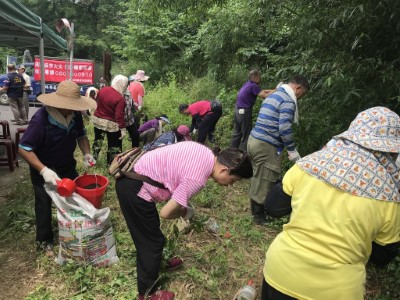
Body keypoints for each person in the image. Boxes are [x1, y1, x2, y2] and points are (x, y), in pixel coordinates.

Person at [261, 106, 400, 300]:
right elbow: (382, 256)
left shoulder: (311, 164)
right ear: (391, 150)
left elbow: (273, 207)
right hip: (338, 290)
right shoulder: (389, 194)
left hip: (281, 272)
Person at [115, 142, 253, 300]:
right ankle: (147, 293)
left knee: (151, 233)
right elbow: (166, 213)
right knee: (151, 242)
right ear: (224, 170)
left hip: (135, 176)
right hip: (134, 188)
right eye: (233, 180)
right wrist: (185, 212)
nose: (230, 185)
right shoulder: (197, 178)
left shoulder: (206, 153)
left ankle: (155, 263)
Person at [18, 80, 97, 256]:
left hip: (66, 164)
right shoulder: (41, 120)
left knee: (74, 196)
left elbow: (82, 136)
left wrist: (86, 153)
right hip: (44, 168)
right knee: (44, 203)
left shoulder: (75, 117)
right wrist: (43, 170)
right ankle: (44, 240)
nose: (75, 108)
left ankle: (73, 229)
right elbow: (24, 148)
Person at [247, 75, 309, 225]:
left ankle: (256, 210)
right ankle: (258, 216)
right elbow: (284, 128)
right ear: (298, 88)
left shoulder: (275, 94)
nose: (299, 98)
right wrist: (292, 150)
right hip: (266, 144)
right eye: (301, 94)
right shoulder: (287, 100)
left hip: (254, 140)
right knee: (265, 178)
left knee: (259, 176)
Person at [230, 69, 275, 151]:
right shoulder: (253, 86)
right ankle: (242, 156)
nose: (260, 78)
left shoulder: (247, 84)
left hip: (237, 111)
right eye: (259, 76)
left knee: (237, 134)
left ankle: (231, 153)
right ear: (255, 77)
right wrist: (276, 91)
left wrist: (275, 90)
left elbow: (263, 91)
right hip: (244, 113)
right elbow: (265, 95)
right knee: (246, 135)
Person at [91, 75, 128, 165]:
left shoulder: (103, 89)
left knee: (97, 141)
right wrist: (123, 129)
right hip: (111, 124)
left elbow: (97, 102)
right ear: (123, 85)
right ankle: (111, 164)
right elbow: (119, 116)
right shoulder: (120, 99)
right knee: (114, 145)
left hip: (98, 121)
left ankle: (92, 160)